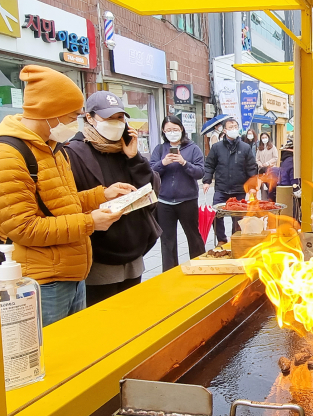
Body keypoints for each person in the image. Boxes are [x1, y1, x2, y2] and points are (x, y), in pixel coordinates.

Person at [0, 66, 132, 325]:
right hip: (42, 283)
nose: (75, 123)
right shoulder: (10, 155)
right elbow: (24, 228)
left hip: (71, 274)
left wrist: (101, 195)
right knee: (51, 356)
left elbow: (61, 204)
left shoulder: (53, 148)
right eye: (71, 116)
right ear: (49, 112)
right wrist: (90, 222)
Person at [65, 91, 161, 306]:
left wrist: (135, 158)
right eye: (109, 118)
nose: (116, 124)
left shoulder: (125, 150)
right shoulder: (73, 153)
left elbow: (153, 190)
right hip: (100, 252)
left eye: (120, 118)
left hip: (133, 250)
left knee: (131, 315)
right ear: (89, 118)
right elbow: (69, 201)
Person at [150, 116, 206, 272]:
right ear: (163, 131)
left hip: (187, 200)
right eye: (168, 130)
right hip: (164, 201)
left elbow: (200, 172)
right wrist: (163, 163)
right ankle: (169, 272)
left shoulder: (193, 148)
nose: (172, 133)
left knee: (193, 236)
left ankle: (200, 267)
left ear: (181, 129)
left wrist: (183, 162)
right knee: (167, 240)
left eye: (175, 129)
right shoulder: (160, 149)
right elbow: (150, 171)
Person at [202, 117, 257, 244]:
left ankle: (235, 239)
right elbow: (209, 165)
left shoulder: (245, 148)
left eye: (235, 127)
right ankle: (221, 239)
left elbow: (251, 168)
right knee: (216, 215)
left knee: (238, 218)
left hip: (239, 189)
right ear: (225, 130)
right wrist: (207, 181)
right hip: (221, 188)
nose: (233, 129)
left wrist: (253, 186)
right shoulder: (217, 148)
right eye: (230, 127)